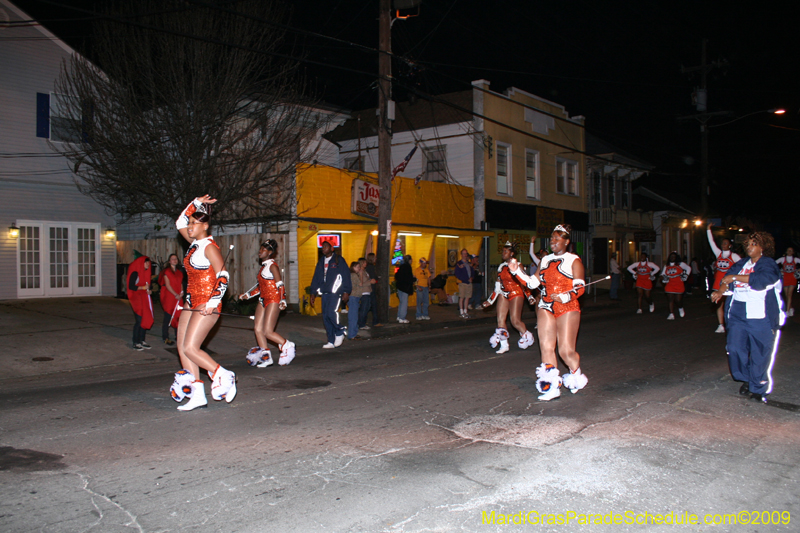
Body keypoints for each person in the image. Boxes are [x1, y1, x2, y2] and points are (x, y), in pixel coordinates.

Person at [169, 195, 236, 412]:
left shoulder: (208, 246)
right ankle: (198, 395)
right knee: (182, 349)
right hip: (191, 301)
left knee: (191, 347)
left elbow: (223, 274)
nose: (189, 227)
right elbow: (179, 222)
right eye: (190, 223)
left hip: (207, 301)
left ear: (205, 226)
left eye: (194, 223)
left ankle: (222, 374)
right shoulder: (195, 244)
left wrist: (214, 300)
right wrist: (195, 202)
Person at [512, 225, 587, 401]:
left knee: (565, 352)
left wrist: (566, 295)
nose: (552, 242)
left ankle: (575, 373)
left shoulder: (574, 260)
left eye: (557, 238)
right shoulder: (545, 261)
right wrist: (517, 271)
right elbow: (531, 283)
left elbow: (580, 287)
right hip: (546, 305)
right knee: (546, 347)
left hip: (567, 307)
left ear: (566, 242)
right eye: (551, 238)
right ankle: (551, 386)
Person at [711, 231, 784, 403]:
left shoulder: (768, 264)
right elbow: (726, 278)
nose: (749, 247)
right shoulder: (742, 263)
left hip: (760, 314)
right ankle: (746, 378)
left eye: (753, 244)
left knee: (760, 352)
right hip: (737, 311)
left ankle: (758, 387)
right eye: (748, 244)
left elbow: (763, 280)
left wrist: (735, 277)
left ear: (763, 247)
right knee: (734, 347)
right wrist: (720, 291)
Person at [238, 239, 294, 367]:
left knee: (268, 331)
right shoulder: (263, 267)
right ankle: (266, 357)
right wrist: (247, 295)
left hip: (274, 299)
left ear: (270, 252)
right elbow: (260, 287)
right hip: (263, 299)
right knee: (258, 329)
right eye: (260, 249)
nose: (260, 252)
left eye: (263, 250)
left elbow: (280, 284)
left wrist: (283, 299)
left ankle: (287, 345)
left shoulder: (272, 266)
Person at [481, 242, 535, 355]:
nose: (503, 253)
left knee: (515, 321)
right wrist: (490, 301)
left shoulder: (518, 265)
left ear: (512, 253)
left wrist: (529, 296)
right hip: (503, 293)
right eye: (503, 251)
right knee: (500, 319)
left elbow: (524, 282)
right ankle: (504, 345)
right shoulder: (501, 267)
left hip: (516, 292)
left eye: (506, 251)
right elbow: (497, 286)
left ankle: (527, 335)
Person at [310, 241, 352, 348]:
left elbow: (346, 275)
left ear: (331, 248)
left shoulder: (338, 260)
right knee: (325, 317)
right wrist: (313, 293)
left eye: (325, 246)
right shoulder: (321, 261)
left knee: (330, 313)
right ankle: (331, 340)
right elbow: (316, 277)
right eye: (322, 247)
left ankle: (340, 330)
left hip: (335, 292)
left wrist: (346, 291)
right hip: (325, 292)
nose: (323, 248)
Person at [707, 222, 742, 333]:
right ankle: (721, 325)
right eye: (722, 243)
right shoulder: (718, 254)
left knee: (731, 304)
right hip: (718, 282)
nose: (723, 245)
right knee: (719, 304)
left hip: (730, 283)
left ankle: (732, 323)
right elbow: (711, 242)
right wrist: (708, 230)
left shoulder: (734, 256)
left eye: (725, 243)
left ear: (730, 245)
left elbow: (742, 268)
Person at [127, 255, 154, 351]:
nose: (148, 264)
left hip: (144, 297)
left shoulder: (146, 273)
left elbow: (149, 286)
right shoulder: (135, 273)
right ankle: (136, 341)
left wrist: (149, 291)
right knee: (139, 319)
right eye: (145, 262)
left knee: (145, 318)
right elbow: (131, 286)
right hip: (137, 298)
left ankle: (142, 340)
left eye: (148, 262)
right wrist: (143, 288)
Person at [158, 254, 184, 346]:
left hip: (178, 296)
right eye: (172, 259)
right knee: (168, 317)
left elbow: (180, 283)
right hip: (169, 296)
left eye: (175, 259)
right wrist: (175, 294)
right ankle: (165, 337)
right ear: (169, 261)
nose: (174, 260)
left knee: (178, 316)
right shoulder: (166, 272)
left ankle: (178, 336)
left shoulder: (179, 272)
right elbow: (168, 285)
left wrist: (181, 292)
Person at [661, 251, 691, 320]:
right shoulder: (667, 265)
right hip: (670, 284)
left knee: (678, 300)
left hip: (678, 283)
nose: (672, 258)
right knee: (670, 299)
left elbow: (688, 268)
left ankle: (680, 307)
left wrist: (686, 275)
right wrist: (664, 278)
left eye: (674, 257)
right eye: (671, 257)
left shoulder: (680, 264)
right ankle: (671, 313)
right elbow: (663, 274)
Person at [347, 260, 371, 339]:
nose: (359, 268)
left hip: (355, 297)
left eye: (359, 267)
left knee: (354, 316)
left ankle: (354, 332)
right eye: (357, 267)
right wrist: (360, 274)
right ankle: (352, 334)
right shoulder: (353, 275)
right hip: (353, 297)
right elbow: (360, 284)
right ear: (353, 267)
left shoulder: (353, 275)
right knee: (353, 317)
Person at [775, 247, 798, 317]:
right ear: (786, 251)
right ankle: (790, 308)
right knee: (787, 295)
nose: (790, 251)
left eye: (791, 250)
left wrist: (798, 270)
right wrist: (779, 271)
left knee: (789, 294)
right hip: (785, 278)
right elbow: (773, 264)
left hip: (793, 278)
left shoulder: (795, 259)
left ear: (793, 252)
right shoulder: (782, 259)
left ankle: (787, 311)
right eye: (788, 250)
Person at [394, 254, 414, 323]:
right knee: (404, 303)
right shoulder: (408, 267)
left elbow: (396, 276)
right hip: (405, 287)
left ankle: (399, 316)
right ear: (409, 260)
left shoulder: (401, 267)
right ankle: (402, 317)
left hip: (400, 286)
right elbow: (409, 278)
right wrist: (414, 279)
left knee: (401, 302)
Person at [455, 248, 474, 318]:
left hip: (469, 283)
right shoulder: (459, 264)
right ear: (461, 255)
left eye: (466, 253)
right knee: (462, 297)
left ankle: (466, 311)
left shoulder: (469, 263)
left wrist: (472, 278)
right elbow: (457, 274)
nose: (465, 255)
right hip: (463, 283)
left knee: (467, 297)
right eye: (463, 253)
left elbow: (472, 272)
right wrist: (465, 279)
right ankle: (461, 311)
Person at [365, 253, 381, 327]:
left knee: (368, 305)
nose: (376, 259)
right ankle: (375, 321)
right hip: (372, 287)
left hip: (368, 288)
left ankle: (364, 320)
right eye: (375, 258)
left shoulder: (367, 267)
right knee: (373, 305)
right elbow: (374, 277)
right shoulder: (371, 267)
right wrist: (378, 277)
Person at [357, 258, 372, 330]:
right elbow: (361, 283)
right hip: (364, 291)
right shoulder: (360, 272)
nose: (365, 264)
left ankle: (363, 323)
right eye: (364, 262)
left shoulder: (365, 271)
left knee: (367, 308)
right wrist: (370, 282)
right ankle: (361, 324)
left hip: (368, 291)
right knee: (364, 308)